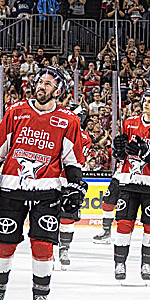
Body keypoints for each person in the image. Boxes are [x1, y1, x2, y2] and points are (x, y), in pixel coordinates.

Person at [0, 66, 86, 300]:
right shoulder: (16, 111)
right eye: (40, 82)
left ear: (58, 91)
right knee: (3, 242)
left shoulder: (68, 120)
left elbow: (72, 159)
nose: (41, 87)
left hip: (47, 191)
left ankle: (41, 293)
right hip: (13, 188)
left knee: (43, 243)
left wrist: (75, 186)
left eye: (48, 84)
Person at [109, 88, 150, 282]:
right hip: (129, 182)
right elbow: (124, 155)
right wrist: (119, 151)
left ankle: (147, 264)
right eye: (145, 100)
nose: (145, 103)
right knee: (123, 224)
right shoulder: (129, 123)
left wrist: (146, 153)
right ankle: (119, 263)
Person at [57, 104, 91, 269]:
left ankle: (64, 248)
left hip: (68, 181)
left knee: (67, 218)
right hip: (50, 179)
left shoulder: (83, 137)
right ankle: (48, 249)